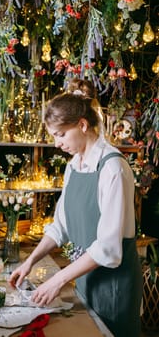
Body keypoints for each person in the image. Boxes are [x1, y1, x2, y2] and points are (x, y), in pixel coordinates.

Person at [9, 79, 143, 337]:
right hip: (85, 279)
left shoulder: (113, 167)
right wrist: (30, 261)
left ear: (82, 125)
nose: (57, 144)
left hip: (114, 288)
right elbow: (60, 227)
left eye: (60, 134)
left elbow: (108, 249)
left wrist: (57, 280)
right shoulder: (74, 165)